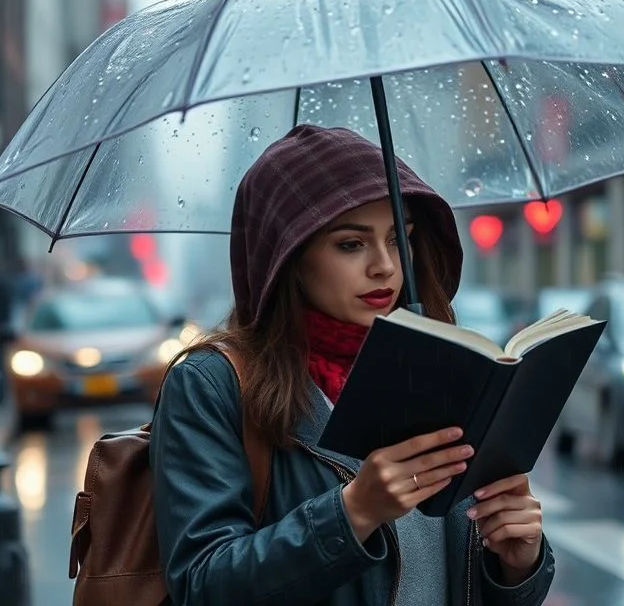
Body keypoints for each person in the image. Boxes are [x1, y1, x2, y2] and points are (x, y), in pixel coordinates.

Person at [151, 125, 555, 605]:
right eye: (350, 244)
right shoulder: (212, 386)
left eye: (397, 238)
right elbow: (203, 584)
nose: (384, 265)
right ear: (288, 258)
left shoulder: (444, 370)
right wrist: (353, 512)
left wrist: (514, 564)